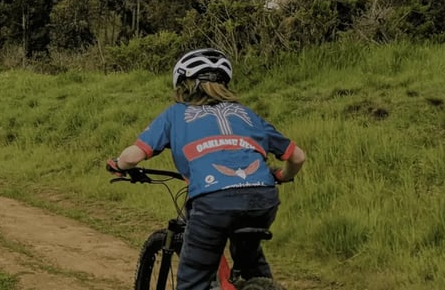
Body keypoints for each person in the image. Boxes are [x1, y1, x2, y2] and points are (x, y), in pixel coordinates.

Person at [105, 48, 307, 290]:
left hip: (213, 201)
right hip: (263, 198)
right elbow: (297, 156)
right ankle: (259, 283)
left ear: (183, 84)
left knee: (193, 281)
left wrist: (117, 165)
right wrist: (282, 176)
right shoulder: (246, 114)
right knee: (249, 258)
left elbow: (132, 156)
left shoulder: (175, 114)